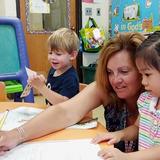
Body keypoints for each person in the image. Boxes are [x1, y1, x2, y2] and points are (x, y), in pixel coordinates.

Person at [0, 32, 145, 155]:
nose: (115, 80)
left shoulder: (153, 99)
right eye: (109, 72)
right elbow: (65, 111)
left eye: (124, 71)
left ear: (143, 70)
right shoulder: (105, 88)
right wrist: (16, 135)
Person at [91, 31, 160, 160]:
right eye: (142, 74)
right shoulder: (146, 100)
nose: (143, 81)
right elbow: (137, 128)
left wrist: (127, 157)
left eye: (148, 75)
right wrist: (119, 134)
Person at [28, 27, 80, 106]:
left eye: (58, 54)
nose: (52, 57)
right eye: (50, 53)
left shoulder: (71, 78)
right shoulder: (53, 70)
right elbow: (53, 87)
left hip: (64, 116)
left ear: (72, 55)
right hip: (52, 111)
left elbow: (64, 103)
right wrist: (42, 82)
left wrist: (42, 87)